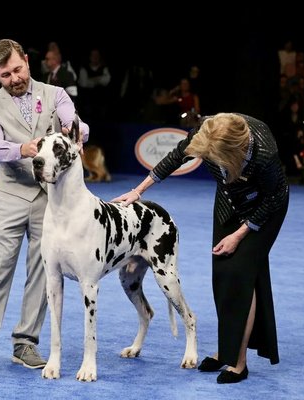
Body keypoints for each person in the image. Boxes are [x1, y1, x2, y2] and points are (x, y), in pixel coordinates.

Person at [112, 113, 289, 384]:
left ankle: (238, 363)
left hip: (264, 209)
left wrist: (241, 234)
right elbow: (175, 157)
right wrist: (139, 191)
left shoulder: (264, 152)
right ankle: (226, 350)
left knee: (239, 275)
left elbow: (277, 196)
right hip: (229, 202)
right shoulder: (209, 130)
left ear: (232, 152)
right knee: (222, 275)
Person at [0, 39, 89, 376]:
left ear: (27, 63)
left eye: (17, 70)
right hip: (10, 196)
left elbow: (79, 126)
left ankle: (26, 342)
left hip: (50, 200)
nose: (14, 78)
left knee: (42, 271)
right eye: (5, 75)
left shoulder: (55, 94)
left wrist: (73, 131)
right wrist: (22, 149)